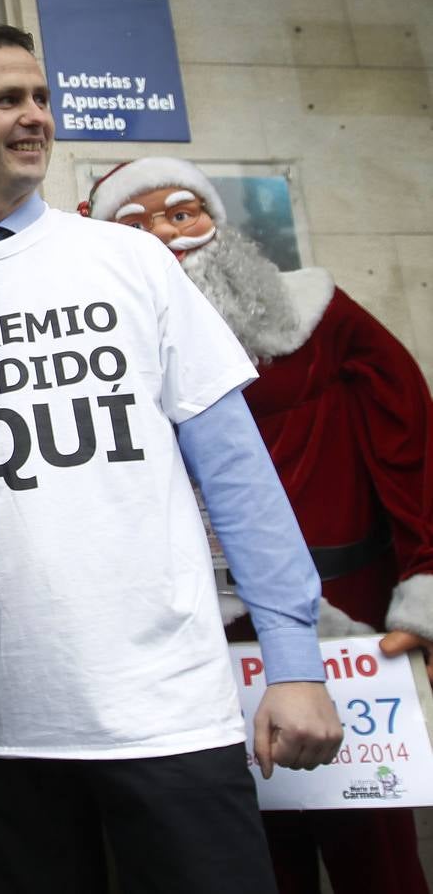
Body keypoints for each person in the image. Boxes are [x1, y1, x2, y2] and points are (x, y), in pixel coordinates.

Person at [0, 23, 342, 894]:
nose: (35, 115)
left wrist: (295, 661)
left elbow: (237, 474)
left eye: (41, 97)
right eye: (6, 99)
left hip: (168, 713)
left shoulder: (133, 261)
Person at [84, 155, 433, 894]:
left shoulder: (316, 313)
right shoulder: (103, 356)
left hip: (343, 617)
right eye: (138, 226)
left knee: (374, 839)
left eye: (181, 214)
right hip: (199, 632)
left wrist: (425, 580)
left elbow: (409, 438)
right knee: (249, 847)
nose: (167, 236)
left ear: (215, 220)